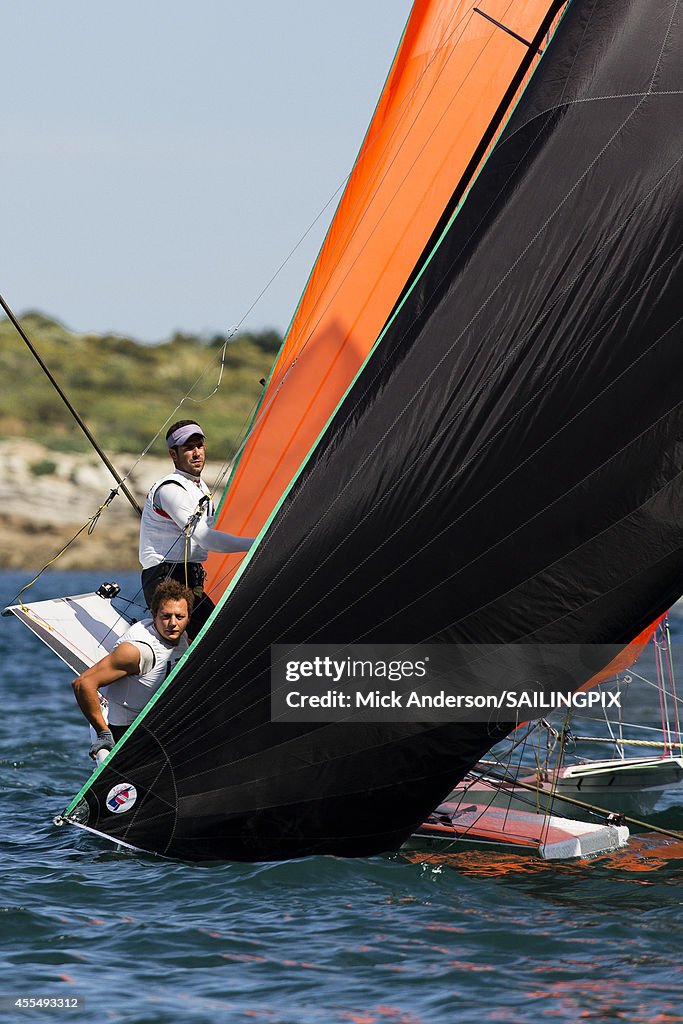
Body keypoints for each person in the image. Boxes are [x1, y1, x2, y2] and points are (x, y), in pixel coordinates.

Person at [139, 419, 254, 638]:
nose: (196, 453)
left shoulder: (199, 486)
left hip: (190, 577)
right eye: (188, 448)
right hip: (164, 579)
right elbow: (205, 538)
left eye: (199, 446)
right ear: (174, 454)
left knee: (220, 635)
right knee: (209, 642)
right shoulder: (170, 489)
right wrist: (257, 543)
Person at [72, 579, 194, 759]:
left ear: (188, 617)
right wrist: (103, 734)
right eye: (166, 616)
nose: (173, 623)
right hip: (128, 734)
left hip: (160, 726)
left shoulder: (182, 636)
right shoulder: (136, 652)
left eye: (179, 617)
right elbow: (82, 684)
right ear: (154, 615)